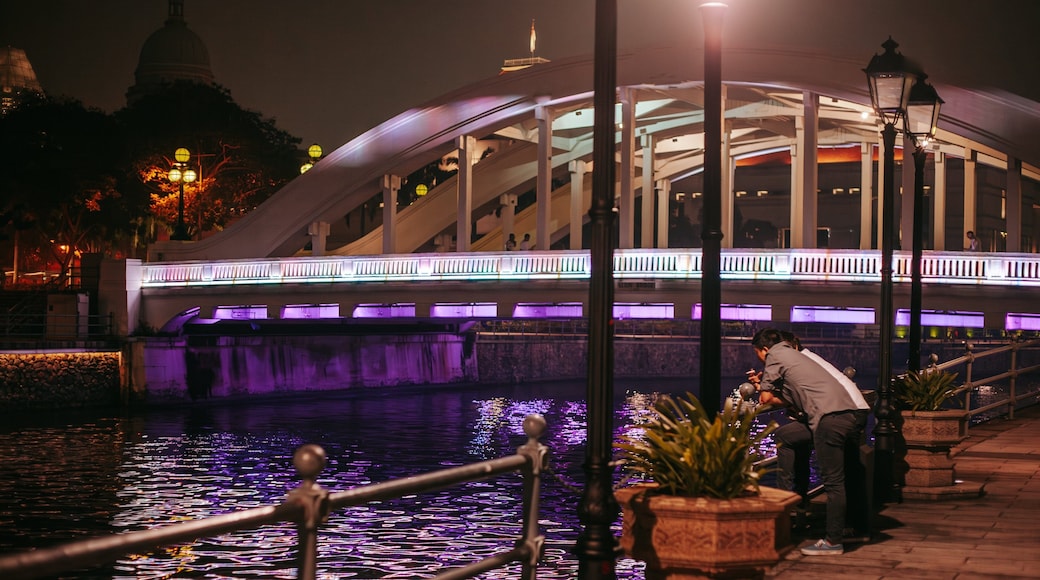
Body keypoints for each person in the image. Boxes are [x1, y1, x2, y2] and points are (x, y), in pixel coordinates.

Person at [747, 328, 869, 556]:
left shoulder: (775, 354)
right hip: (845, 414)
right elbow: (791, 397)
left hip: (830, 417)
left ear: (764, 349)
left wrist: (763, 386)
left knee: (833, 481)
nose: (762, 360)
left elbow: (765, 398)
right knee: (788, 437)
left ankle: (832, 541)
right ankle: (796, 504)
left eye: (759, 355)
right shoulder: (799, 357)